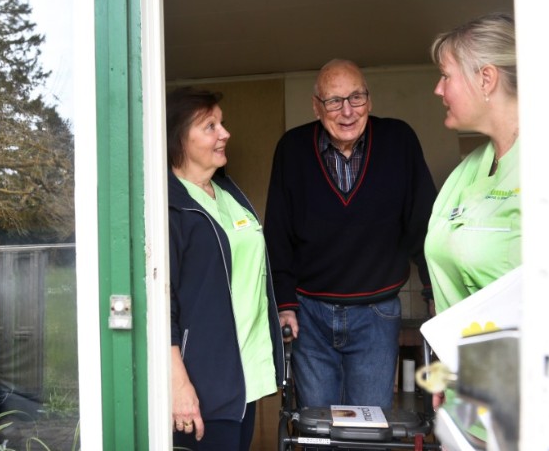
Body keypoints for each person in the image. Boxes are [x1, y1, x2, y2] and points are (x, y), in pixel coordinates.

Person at [264, 59, 436, 410]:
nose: (347, 112)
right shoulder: (292, 149)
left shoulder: (398, 140)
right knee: (317, 427)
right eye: (334, 101)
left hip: (377, 312)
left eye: (356, 98)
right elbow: (278, 232)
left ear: (369, 101)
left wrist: (433, 289)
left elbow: (424, 222)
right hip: (309, 312)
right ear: (316, 106)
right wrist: (284, 304)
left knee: (370, 427)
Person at [167, 87, 284, 451]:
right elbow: (161, 304)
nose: (225, 133)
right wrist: (178, 384)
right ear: (179, 139)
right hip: (202, 387)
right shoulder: (170, 206)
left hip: (244, 378)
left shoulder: (227, 191)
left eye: (223, 123)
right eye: (210, 126)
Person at [425, 13, 520, 320]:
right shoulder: (467, 170)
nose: (438, 90)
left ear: (486, 79)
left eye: (446, 76)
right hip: (472, 361)